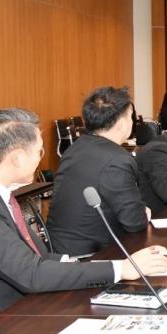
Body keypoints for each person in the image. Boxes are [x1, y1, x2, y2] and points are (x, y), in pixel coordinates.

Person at [0, 109, 167, 322]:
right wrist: (121, 269)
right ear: (17, 158)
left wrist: (116, 263)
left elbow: (37, 257)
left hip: (25, 303)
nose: (40, 158)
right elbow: (31, 273)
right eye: (39, 151)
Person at [47, 87, 151, 257]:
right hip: (91, 256)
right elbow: (134, 222)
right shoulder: (118, 160)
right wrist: (143, 213)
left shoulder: (74, 149)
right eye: (130, 116)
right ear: (122, 123)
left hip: (58, 250)